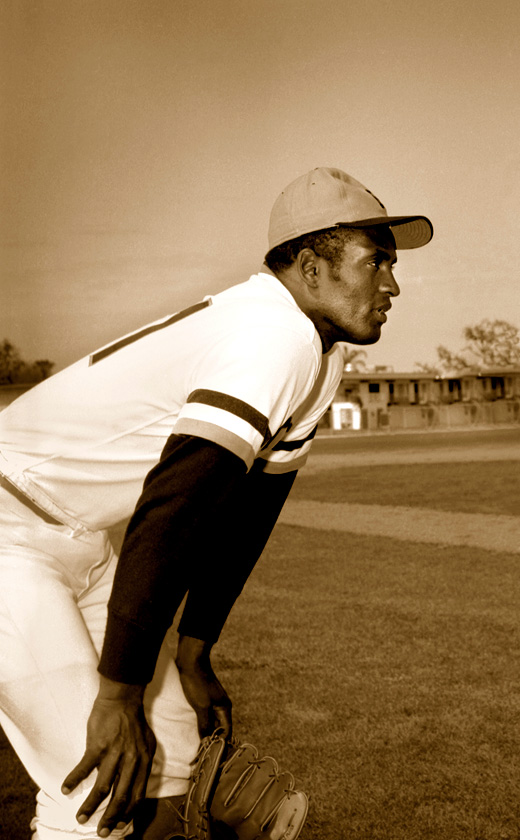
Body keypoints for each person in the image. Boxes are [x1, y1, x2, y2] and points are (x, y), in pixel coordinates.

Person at [0, 166, 433, 839]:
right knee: (97, 787)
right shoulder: (274, 335)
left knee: (170, 763)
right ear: (312, 267)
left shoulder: (319, 355)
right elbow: (177, 505)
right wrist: (118, 691)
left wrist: (194, 651)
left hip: (72, 537)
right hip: (7, 528)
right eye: (375, 261)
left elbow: (246, 514)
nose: (393, 283)